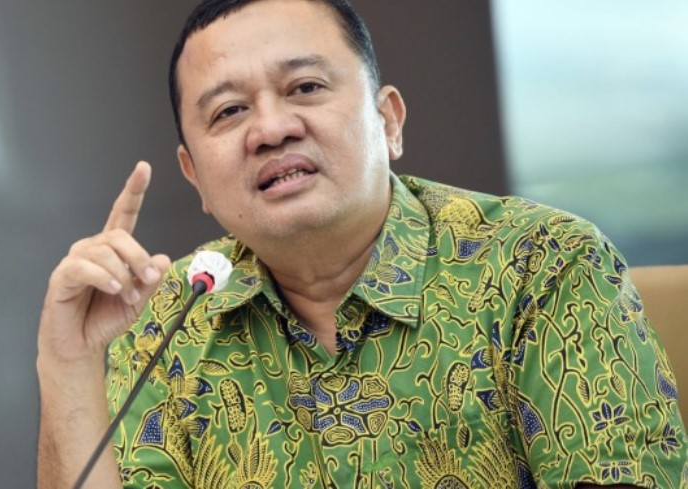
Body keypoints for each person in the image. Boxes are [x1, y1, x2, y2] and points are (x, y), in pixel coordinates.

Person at [36, 0, 687, 487]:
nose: (271, 129)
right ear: (195, 177)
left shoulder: (544, 263)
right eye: (229, 111)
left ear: (388, 120)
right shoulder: (166, 316)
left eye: (305, 87)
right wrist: (68, 364)